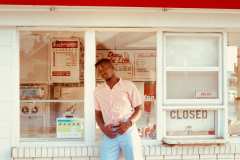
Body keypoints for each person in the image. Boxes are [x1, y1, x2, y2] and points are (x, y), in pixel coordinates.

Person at [94, 58, 143, 160]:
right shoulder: (98, 91)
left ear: (112, 68)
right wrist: (103, 129)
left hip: (128, 131)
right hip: (109, 133)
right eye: (99, 71)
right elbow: (98, 114)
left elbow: (139, 108)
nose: (102, 72)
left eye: (104, 68)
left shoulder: (128, 86)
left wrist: (128, 124)